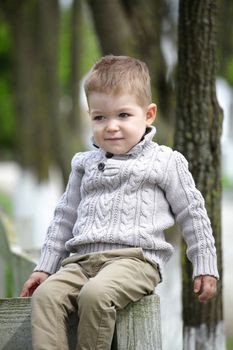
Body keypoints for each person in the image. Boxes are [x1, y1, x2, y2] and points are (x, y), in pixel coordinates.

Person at [20, 55, 218, 350]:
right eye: (100, 117)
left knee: (95, 295)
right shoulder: (84, 164)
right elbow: (64, 217)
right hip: (81, 263)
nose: (111, 126)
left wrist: (204, 264)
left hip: (135, 260)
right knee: (46, 297)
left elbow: (192, 213)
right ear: (90, 117)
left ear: (148, 114)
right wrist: (45, 268)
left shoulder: (164, 161)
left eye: (123, 115)